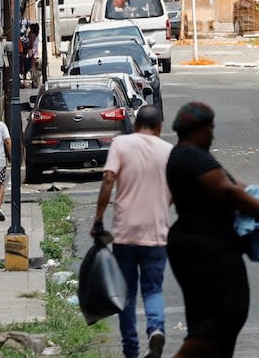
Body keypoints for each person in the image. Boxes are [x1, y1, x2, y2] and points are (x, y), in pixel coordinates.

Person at [164, 102, 259, 358]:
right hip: (204, 247)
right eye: (210, 128)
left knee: (209, 319)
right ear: (198, 129)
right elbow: (228, 191)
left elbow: (236, 185)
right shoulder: (190, 156)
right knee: (226, 314)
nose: (212, 133)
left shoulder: (193, 155)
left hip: (205, 244)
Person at [95, 104, 173, 358]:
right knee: (153, 289)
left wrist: (98, 218)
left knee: (126, 293)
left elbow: (108, 180)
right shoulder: (168, 151)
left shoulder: (121, 145)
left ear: (136, 124)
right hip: (156, 234)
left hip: (125, 233)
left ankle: (131, 349)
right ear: (160, 127)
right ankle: (156, 330)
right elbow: (173, 193)